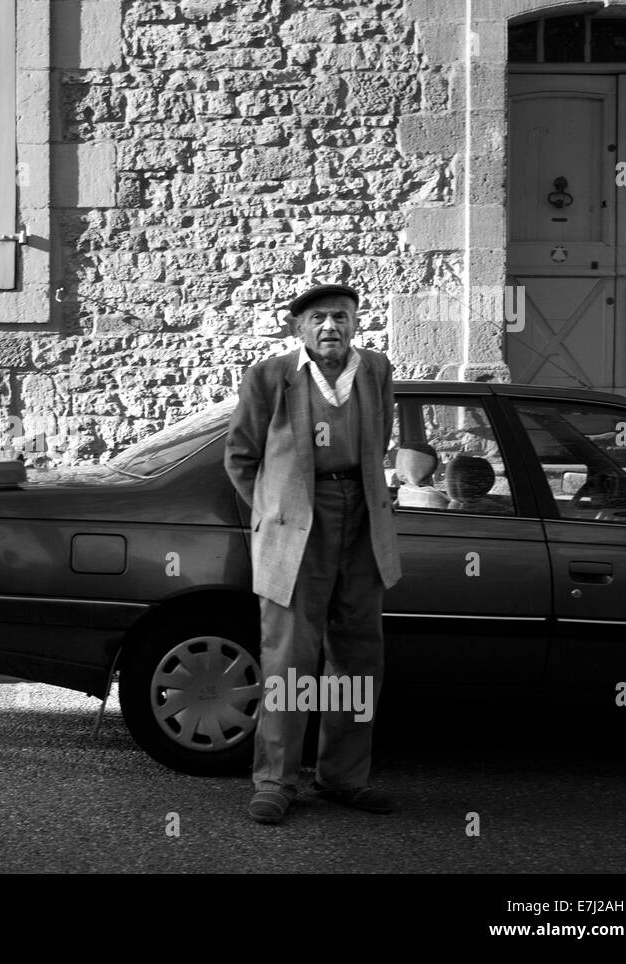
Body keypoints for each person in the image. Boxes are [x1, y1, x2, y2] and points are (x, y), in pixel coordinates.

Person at [223, 283, 401, 825]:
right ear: (298, 327)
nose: (331, 327)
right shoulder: (271, 377)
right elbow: (240, 456)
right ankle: (276, 781)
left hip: (363, 517)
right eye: (319, 318)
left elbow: (382, 439)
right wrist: (274, 513)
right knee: (290, 658)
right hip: (299, 523)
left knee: (357, 655)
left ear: (354, 324)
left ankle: (343, 778)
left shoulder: (375, 371)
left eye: (342, 317)